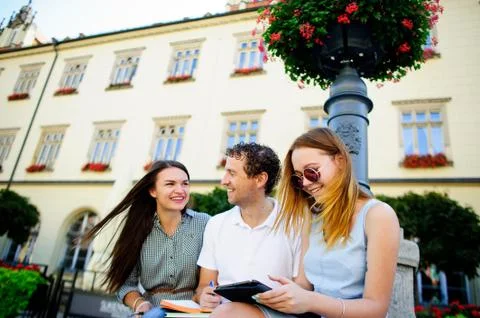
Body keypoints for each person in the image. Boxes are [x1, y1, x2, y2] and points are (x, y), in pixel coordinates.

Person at [253, 127, 401, 318]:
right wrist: (281, 294)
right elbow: (304, 284)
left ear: (339, 161)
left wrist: (310, 300)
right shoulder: (311, 216)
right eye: (298, 177)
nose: (305, 183)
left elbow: (376, 308)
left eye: (312, 172)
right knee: (231, 311)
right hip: (311, 314)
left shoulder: (378, 215)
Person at [84, 160, 210, 315]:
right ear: (153, 191)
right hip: (152, 313)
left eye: (185, 184)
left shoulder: (205, 223)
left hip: (195, 311)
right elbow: (125, 285)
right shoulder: (137, 229)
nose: (180, 190)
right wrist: (139, 304)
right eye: (170, 184)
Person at [194, 143, 302, 317]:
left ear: (260, 179)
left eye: (232, 173)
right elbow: (204, 285)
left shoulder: (296, 223)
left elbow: (303, 289)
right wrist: (204, 296)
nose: (224, 181)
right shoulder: (216, 224)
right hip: (223, 313)